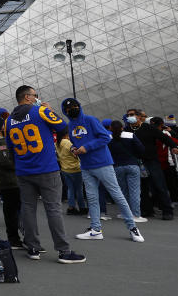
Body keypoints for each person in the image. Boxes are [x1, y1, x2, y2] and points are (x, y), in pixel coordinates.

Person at [6, 86, 85, 264]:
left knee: (28, 208)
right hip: (46, 168)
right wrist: (49, 110)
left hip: (23, 170)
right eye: (35, 96)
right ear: (27, 97)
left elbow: (10, 148)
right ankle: (64, 251)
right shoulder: (40, 111)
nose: (37, 98)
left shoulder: (9, 120)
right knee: (53, 209)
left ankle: (33, 247)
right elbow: (63, 127)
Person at [60, 98, 143, 243]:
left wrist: (87, 147)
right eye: (67, 109)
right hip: (86, 166)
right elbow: (75, 141)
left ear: (79, 106)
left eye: (74, 106)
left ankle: (132, 228)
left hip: (102, 164)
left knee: (117, 195)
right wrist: (74, 148)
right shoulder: (71, 125)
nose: (71, 109)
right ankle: (96, 229)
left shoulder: (90, 120)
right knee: (92, 198)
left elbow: (105, 137)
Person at [0, 116, 22, 249]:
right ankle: (14, 239)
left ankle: (14, 238)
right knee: (13, 211)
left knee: (9, 210)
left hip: (3, 182)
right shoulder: (2, 143)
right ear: (1, 127)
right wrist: (20, 164)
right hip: (10, 181)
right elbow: (6, 161)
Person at [135, 116, 178, 220]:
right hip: (138, 162)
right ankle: (147, 210)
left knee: (159, 185)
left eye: (132, 115)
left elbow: (164, 138)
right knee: (143, 187)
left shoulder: (148, 128)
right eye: (128, 116)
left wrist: (174, 147)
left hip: (152, 161)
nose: (130, 118)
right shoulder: (128, 130)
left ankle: (167, 211)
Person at [107, 120, 147, 223]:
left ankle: (125, 213)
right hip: (132, 165)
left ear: (110, 128)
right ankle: (136, 215)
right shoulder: (130, 135)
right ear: (122, 127)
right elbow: (141, 149)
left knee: (122, 191)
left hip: (117, 167)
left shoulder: (108, 138)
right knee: (134, 191)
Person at [56, 128, 85, 215]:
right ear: (66, 134)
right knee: (79, 189)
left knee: (70, 189)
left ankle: (71, 207)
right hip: (75, 168)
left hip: (65, 169)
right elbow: (75, 152)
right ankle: (82, 207)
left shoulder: (57, 143)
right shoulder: (68, 143)